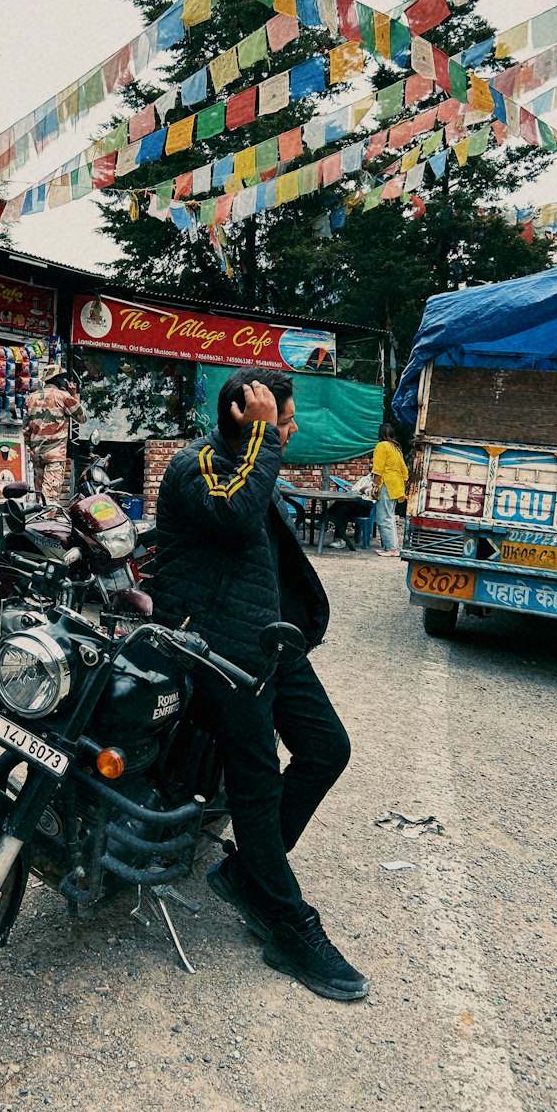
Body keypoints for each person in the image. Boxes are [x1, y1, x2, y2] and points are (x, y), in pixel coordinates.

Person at [152, 365, 369, 1001]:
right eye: (283, 418)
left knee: (328, 748)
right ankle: (285, 921)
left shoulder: (251, 462)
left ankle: (251, 873)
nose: (292, 429)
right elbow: (235, 514)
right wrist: (264, 439)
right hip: (217, 648)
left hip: (267, 641)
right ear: (247, 419)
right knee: (256, 780)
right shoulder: (198, 467)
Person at [22, 363, 86, 510]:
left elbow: (26, 428)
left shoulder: (31, 398)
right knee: (50, 500)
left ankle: (38, 525)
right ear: (58, 379)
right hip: (54, 454)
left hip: (37, 453)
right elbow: (82, 417)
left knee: (40, 498)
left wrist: (31, 447)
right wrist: (74, 395)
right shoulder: (63, 397)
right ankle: (46, 528)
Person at [372, 423, 409, 557]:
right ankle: (393, 547)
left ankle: (392, 549)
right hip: (396, 486)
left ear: (380, 434)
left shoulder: (382, 446)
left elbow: (378, 468)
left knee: (383, 518)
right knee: (390, 517)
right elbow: (405, 472)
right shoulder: (396, 448)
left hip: (387, 484)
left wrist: (374, 486)